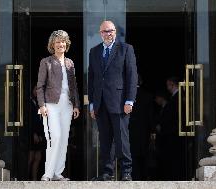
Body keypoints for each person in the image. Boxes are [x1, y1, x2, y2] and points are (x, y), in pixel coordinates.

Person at [88, 20, 138, 181]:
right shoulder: (94, 51)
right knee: (105, 140)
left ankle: (126, 172)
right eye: (105, 31)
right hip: (100, 104)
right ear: (100, 33)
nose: (108, 34)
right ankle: (107, 172)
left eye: (111, 31)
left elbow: (132, 76)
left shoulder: (126, 49)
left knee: (122, 139)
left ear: (115, 32)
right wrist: (92, 104)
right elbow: (92, 79)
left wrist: (130, 100)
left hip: (120, 102)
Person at [36, 30, 80, 181]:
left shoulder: (70, 63)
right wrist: (41, 105)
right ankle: (47, 173)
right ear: (52, 45)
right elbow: (40, 86)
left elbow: (74, 87)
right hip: (51, 104)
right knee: (54, 137)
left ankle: (57, 173)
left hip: (67, 105)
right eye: (58, 42)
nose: (61, 44)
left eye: (63, 42)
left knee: (64, 139)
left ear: (66, 44)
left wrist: (76, 105)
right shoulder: (46, 62)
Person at [28, 86, 46, 181]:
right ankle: (25, 176)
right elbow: (30, 120)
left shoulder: (40, 103)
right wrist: (34, 133)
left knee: (38, 157)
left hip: (40, 133)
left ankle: (34, 179)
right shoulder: (29, 102)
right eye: (36, 89)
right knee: (31, 157)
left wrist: (41, 134)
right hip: (32, 133)